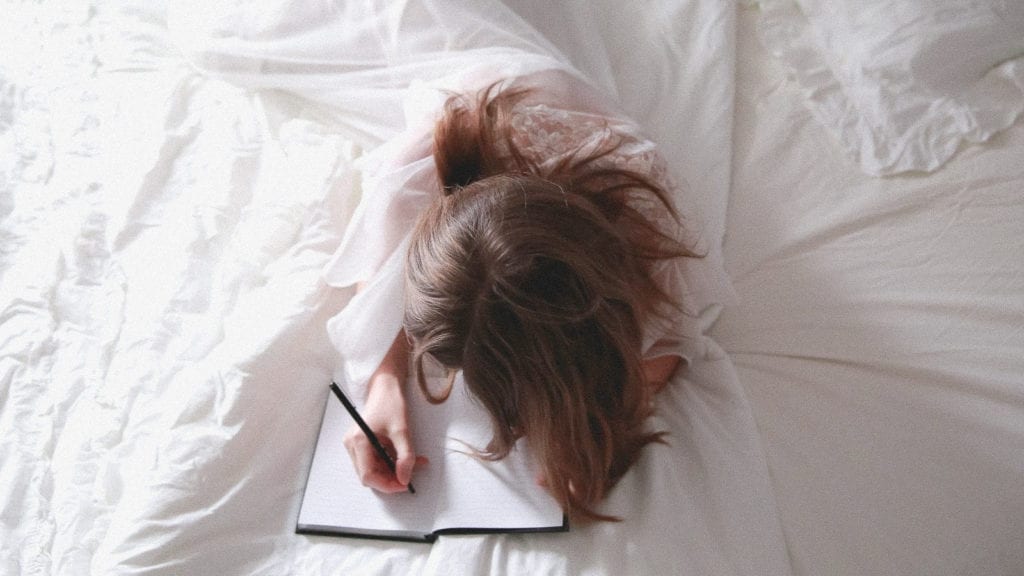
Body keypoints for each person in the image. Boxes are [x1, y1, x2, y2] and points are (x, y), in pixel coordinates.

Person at [339, 73, 703, 521]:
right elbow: (373, 269)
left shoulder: (642, 216)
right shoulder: (415, 174)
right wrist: (385, 383)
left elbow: (674, 335)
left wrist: (600, 425)